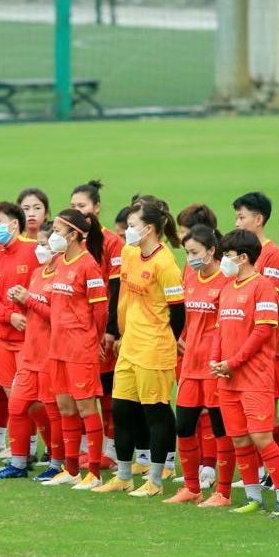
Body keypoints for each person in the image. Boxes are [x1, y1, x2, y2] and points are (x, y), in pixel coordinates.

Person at [94, 200, 185, 498]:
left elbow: (178, 312)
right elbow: (122, 296)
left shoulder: (166, 265)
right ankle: (123, 475)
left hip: (154, 350)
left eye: (132, 226)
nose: (127, 231)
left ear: (148, 229)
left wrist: (164, 341)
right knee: (121, 409)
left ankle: (156, 480)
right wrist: (120, 332)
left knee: (156, 412)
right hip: (130, 345)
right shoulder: (129, 253)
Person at [209, 230, 279, 519]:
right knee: (240, 440)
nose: (223, 260)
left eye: (227, 255)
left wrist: (233, 362)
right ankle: (253, 497)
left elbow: (263, 331)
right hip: (227, 378)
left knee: (261, 437)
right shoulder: (227, 287)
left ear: (243, 257)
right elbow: (220, 329)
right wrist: (215, 359)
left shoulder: (263, 287)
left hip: (254, 377)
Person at [29, 208, 108, 489]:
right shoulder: (61, 261)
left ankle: (95, 473)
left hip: (79, 348)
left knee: (86, 407)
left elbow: (100, 310)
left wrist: (93, 339)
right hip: (57, 347)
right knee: (64, 406)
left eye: (59, 232)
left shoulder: (88, 265)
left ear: (74, 234)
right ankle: (72, 468)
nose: (54, 237)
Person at [165, 224, 234, 506]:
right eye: (187, 252)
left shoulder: (225, 281)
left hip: (214, 367)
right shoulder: (190, 278)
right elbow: (187, 316)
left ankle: (223, 492)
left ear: (212, 251)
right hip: (190, 364)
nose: (190, 258)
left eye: (194, 252)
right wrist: (180, 337)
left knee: (220, 429)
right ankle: (192, 488)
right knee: (184, 426)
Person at [0, 220, 60, 479]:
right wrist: (18, 303)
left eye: (44, 244)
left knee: (53, 411)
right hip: (31, 353)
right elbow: (33, 310)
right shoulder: (37, 273)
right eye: (40, 243)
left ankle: (58, 464)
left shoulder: (63, 276)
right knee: (18, 407)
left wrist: (28, 299)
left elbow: (59, 316)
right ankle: (19, 463)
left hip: (51, 355)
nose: (39, 249)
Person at [69, 180, 124, 463]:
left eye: (83, 205)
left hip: (101, 328)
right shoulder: (71, 242)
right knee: (79, 392)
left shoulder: (113, 243)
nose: (79, 211)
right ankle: (83, 451)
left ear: (97, 207)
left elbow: (115, 290)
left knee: (106, 392)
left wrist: (111, 330)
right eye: (74, 206)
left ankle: (110, 452)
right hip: (78, 332)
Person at [232, 191, 279, 455]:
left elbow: (270, 304)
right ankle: (256, 469)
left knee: (268, 413)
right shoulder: (241, 254)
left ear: (259, 219)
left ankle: (270, 469)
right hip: (242, 345)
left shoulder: (272, 255)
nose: (237, 223)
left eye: (241, 217)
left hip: (266, 346)